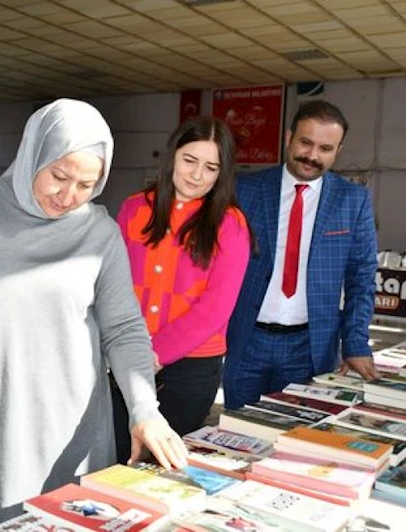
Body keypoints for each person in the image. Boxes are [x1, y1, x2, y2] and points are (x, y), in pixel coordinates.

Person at [0, 98, 187, 531]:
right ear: (33, 153)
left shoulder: (99, 233)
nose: (68, 195)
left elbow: (124, 330)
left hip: (69, 428)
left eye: (86, 184)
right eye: (59, 176)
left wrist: (144, 410)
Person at [223, 100, 380, 410]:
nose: (312, 155)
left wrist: (356, 342)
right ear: (288, 138)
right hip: (247, 341)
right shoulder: (244, 190)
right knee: (238, 431)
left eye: (325, 148)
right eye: (305, 143)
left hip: (310, 347)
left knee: (297, 441)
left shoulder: (353, 200)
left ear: (338, 150)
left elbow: (362, 278)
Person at [111, 117, 251, 462]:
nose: (196, 175)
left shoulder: (230, 223)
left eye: (210, 167)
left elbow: (216, 307)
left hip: (191, 368)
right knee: (115, 457)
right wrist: (130, 352)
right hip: (126, 359)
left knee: (164, 465)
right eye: (189, 160)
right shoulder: (134, 208)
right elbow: (111, 284)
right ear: (173, 156)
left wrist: (154, 354)